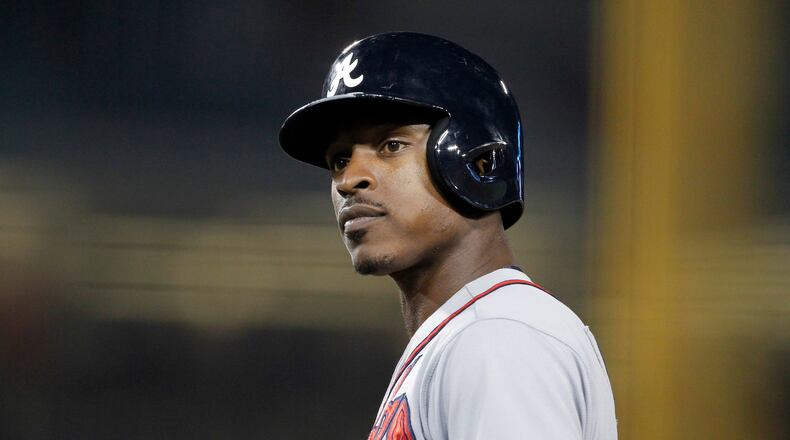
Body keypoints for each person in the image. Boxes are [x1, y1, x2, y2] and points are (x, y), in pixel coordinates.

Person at [279, 32, 617, 440]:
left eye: (390, 145)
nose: (349, 179)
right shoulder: (472, 334)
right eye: (339, 159)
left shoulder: (498, 336)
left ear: (481, 161)